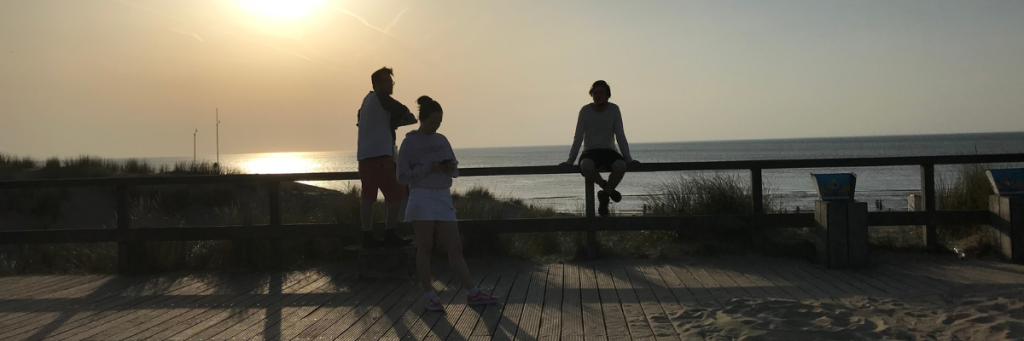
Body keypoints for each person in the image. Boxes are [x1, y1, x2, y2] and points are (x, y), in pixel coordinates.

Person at [397, 95, 499, 311]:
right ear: (422, 119)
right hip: (422, 196)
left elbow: (456, 170)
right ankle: (429, 295)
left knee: (455, 247)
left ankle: (473, 293)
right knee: (425, 247)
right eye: (433, 122)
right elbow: (401, 176)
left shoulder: (442, 140)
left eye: (439, 122)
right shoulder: (409, 142)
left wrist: (447, 167)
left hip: (442, 195)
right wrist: (427, 168)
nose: (436, 126)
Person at [356, 67, 417, 248]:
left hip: (364, 158)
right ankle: (390, 233)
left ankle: (367, 235)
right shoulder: (382, 98)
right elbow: (403, 110)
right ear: (376, 84)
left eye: (391, 81)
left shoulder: (365, 103)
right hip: (381, 156)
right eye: (387, 81)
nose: (390, 85)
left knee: (368, 198)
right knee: (397, 194)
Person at [560, 80, 639, 217]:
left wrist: (629, 159)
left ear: (608, 95)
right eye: (595, 93)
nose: (598, 96)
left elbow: (620, 134)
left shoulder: (614, 109)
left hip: (609, 151)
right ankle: (606, 189)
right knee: (586, 165)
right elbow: (578, 136)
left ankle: (604, 196)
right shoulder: (585, 111)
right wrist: (570, 161)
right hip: (590, 151)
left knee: (621, 166)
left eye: (601, 92)